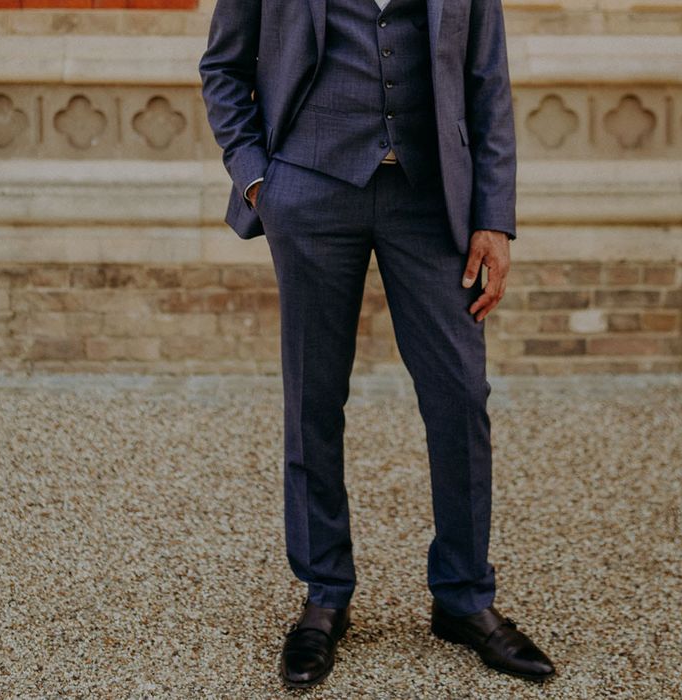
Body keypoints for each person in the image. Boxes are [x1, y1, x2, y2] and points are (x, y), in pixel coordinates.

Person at [199, 0, 556, 688]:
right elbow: (222, 67)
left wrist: (494, 217)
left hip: (431, 200)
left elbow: (487, 83)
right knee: (313, 399)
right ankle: (324, 596)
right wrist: (258, 182)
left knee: (460, 397)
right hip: (307, 189)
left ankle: (464, 597)